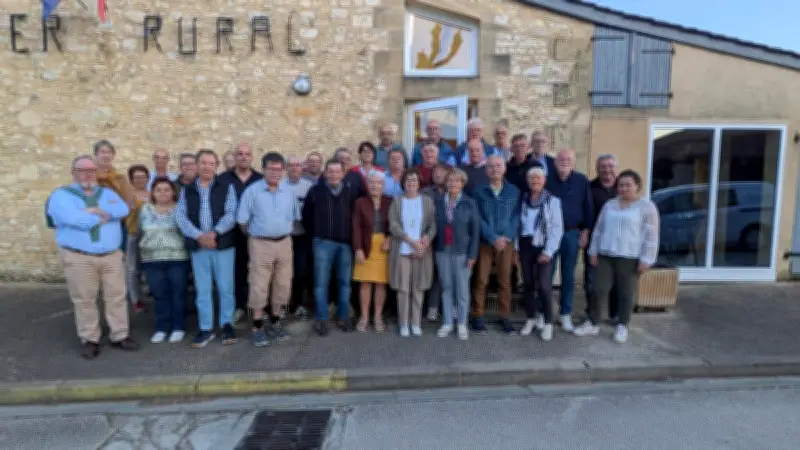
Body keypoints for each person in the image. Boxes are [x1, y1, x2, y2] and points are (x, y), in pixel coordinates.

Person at [46, 155, 138, 359]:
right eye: (82, 170)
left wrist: (94, 210)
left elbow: (123, 209)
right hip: (79, 257)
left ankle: (120, 335)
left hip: (111, 255)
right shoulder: (61, 196)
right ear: (73, 172)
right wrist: (103, 216)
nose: (88, 173)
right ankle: (90, 339)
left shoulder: (106, 193)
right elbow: (77, 220)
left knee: (116, 296)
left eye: (91, 170)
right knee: (85, 300)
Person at [575, 170, 659, 343]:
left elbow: (651, 235)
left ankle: (622, 324)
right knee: (597, 289)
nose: (624, 188)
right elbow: (598, 229)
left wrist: (647, 258)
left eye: (628, 185)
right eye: (621, 185)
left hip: (630, 256)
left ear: (637, 186)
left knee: (626, 292)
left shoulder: (646, 207)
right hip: (606, 254)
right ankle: (593, 322)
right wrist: (593, 250)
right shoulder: (610, 205)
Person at [176, 150, 239, 347]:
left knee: (226, 288)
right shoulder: (187, 190)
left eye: (211, 163)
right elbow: (180, 217)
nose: (207, 167)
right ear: (196, 165)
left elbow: (231, 213)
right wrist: (199, 236)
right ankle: (205, 328)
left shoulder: (226, 186)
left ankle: (227, 324)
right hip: (199, 247)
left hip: (222, 246)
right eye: (203, 163)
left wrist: (214, 233)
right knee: (202, 289)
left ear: (216, 166)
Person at [237, 152, 299, 347]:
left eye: (278, 169)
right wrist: (257, 236)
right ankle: (257, 326)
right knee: (259, 284)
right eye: (271, 168)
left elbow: (294, 217)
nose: (275, 172)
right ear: (263, 169)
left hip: (284, 243)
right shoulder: (252, 192)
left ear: (283, 171)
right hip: (260, 243)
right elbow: (242, 222)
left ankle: (275, 321)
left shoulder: (288, 192)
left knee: (282, 284)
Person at [302, 160, 361, 336]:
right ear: (325, 173)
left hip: (345, 244)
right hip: (322, 243)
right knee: (321, 283)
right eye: (331, 171)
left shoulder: (352, 192)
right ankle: (322, 318)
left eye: (337, 172)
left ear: (343, 173)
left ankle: (342, 317)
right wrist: (319, 234)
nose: (334, 175)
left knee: (344, 282)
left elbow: (355, 219)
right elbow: (307, 217)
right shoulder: (315, 191)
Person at [472, 155, 521, 335]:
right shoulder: (478, 191)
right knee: (481, 280)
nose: (495, 169)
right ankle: (478, 316)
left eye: (498, 166)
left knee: (504, 281)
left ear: (504, 169)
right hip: (486, 241)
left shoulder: (514, 191)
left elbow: (516, 216)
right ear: (486, 170)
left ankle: (504, 317)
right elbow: (477, 217)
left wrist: (506, 237)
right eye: (491, 166)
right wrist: (492, 237)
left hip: (506, 243)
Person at [547, 149, 593, 332]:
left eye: (568, 159)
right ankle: (545, 313)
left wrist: (586, 231)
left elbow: (588, 206)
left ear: (573, 162)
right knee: (546, 275)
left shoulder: (582, 180)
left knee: (568, 276)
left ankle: (565, 314)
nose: (565, 161)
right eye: (561, 159)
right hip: (550, 235)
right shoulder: (547, 179)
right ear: (555, 161)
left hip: (571, 234)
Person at [217, 143, 264, 324]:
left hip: (257, 234)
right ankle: (239, 306)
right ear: (235, 157)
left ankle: (258, 306)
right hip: (231, 234)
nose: (244, 157)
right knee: (235, 272)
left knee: (259, 272)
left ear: (252, 158)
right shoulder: (222, 179)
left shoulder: (260, 179)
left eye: (247, 154)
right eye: (240, 154)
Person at [139, 177, 189, 344]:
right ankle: (161, 327)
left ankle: (178, 327)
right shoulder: (145, 209)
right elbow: (140, 231)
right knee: (159, 295)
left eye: (166, 189)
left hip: (177, 257)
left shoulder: (180, 209)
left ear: (173, 191)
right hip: (152, 259)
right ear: (152, 192)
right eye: (158, 190)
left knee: (178, 294)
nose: (162, 193)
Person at [388, 168, 437, 337]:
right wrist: (410, 241)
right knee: (403, 288)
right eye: (408, 180)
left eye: (414, 180)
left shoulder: (427, 201)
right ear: (403, 183)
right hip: (402, 250)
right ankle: (403, 323)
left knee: (418, 288)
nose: (411, 183)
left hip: (421, 251)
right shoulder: (397, 201)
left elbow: (432, 225)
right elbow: (393, 225)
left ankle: (415, 322)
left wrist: (424, 242)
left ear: (419, 183)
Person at [517, 167, 563, 342]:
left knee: (544, 286)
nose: (535, 181)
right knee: (528, 284)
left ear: (544, 180)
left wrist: (549, 251)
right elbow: (519, 225)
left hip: (544, 245)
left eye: (538, 178)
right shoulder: (523, 199)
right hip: (525, 244)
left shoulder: (552, 201)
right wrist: (516, 248)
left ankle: (548, 322)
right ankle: (531, 319)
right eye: (531, 179)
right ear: (528, 182)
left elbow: (557, 228)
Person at [433, 168, 480, 340]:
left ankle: (461, 323)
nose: (452, 183)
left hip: (462, 252)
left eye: (456, 180)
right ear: (446, 183)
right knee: (446, 288)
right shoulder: (438, 201)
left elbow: (475, 232)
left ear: (462, 183)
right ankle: (447, 322)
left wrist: (472, 255)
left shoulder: (470, 203)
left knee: (462, 289)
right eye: (450, 180)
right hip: (442, 251)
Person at [352, 172, 393, 333]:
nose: (375, 186)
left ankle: (377, 316)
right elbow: (356, 227)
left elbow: (396, 223)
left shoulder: (390, 201)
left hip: (383, 247)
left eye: (378, 183)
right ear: (367, 185)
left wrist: (390, 238)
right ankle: (364, 316)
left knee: (381, 283)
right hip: (366, 245)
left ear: (383, 185)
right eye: (372, 183)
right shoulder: (360, 202)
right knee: (365, 283)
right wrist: (358, 248)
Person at [587, 154, 620, 322]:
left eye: (610, 166)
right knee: (592, 280)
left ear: (616, 168)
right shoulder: (590, 187)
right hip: (595, 240)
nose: (606, 169)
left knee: (617, 281)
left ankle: (614, 314)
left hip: (619, 242)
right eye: (602, 166)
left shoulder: (624, 187)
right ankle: (591, 313)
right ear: (597, 168)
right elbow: (586, 213)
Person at [284, 157, 315, 320]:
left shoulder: (308, 186)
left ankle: (298, 304)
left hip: (302, 236)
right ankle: (284, 304)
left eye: (297, 165)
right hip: (284, 236)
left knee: (301, 271)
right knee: (283, 271)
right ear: (286, 168)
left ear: (302, 168)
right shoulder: (280, 186)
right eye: (291, 165)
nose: (294, 168)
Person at [94, 140, 136, 253]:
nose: (106, 155)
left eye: (109, 152)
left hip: (116, 224)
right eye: (102, 152)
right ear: (96, 155)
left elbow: (130, 202)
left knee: (116, 259)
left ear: (113, 155)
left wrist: (115, 215)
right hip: (93, 224)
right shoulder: (89, 178)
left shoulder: (120, 179)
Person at [125, 164, 151, 313]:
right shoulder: (128, 195)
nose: (140, 180)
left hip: (150, 236)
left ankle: (148, 291)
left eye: (143, 176)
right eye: (136, 177)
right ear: (131, 180)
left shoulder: (151, 194)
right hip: (134, 234)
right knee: (133, 268)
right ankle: (136, 299)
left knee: (148, 266)